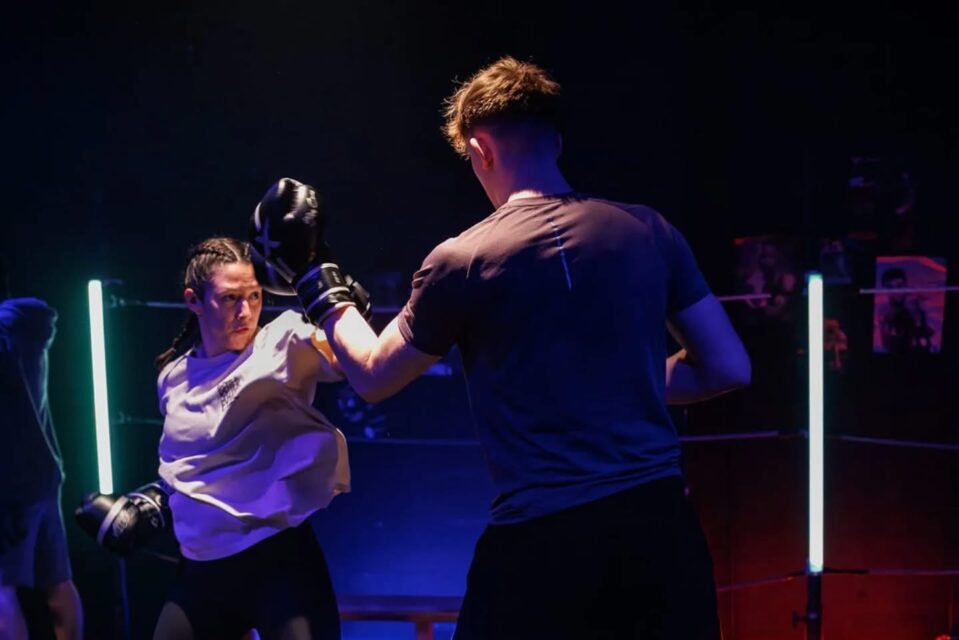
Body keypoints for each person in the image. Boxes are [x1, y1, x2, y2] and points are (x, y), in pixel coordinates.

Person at [252, 56, 751, 639]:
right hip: (661, 530)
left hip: (543, 540)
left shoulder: (464, 260)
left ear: (480, 150)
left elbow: (372, 375)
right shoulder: (649, 231)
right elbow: (728, 366)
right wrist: (619, 380)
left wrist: (315, 277)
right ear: (556, 142)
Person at [149, 237, 350, 639]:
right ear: (194, 300)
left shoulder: (281, 340)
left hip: (278, 561)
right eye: (229, 299)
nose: (246, 311)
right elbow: (195, 460)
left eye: (255, 296)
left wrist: (342, 305)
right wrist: (154, 498)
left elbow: (356, 362)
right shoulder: (172, 378)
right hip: (201, 566)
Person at [0, 256, 84, 640]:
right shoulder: (25, 323)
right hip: (41, 473)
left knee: (2, 592)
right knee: (56, 582)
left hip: (10, 483)